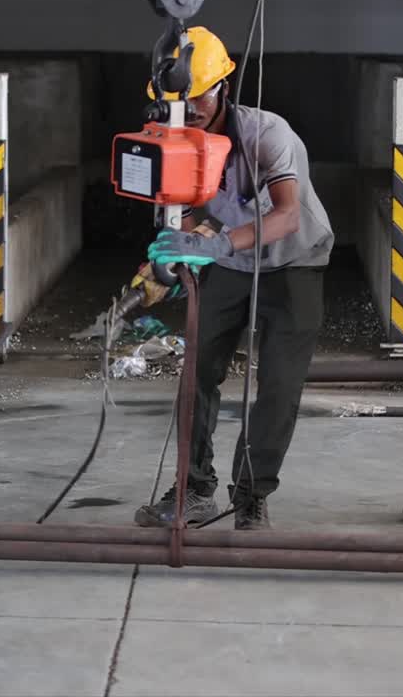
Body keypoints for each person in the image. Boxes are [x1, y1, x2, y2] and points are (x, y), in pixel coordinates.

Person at [133, 27, 335, 531]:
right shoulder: (173, 137)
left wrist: (216, 244)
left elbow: (287, 215)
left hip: (295, 261)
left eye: (198, 93)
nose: (190, 106)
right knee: (197, 373)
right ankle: (194, 488)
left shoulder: (266, 134)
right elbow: (177, 206)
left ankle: (251, 495)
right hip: (231, 262)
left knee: (278, 386)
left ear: (224, 84)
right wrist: (172, 256)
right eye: (176, 99)